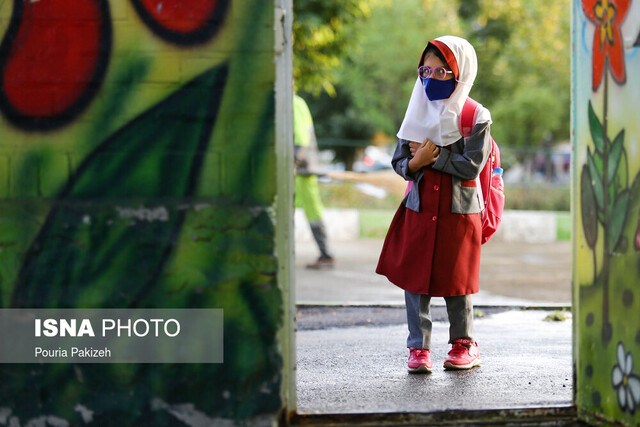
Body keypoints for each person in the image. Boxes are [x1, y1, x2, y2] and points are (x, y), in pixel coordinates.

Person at [376, 36, 492, 372]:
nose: (431, 78)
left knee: (457, 281)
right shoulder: (417, 108)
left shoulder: (476, 116)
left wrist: (433, 156)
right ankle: (418, 348)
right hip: (420, 207)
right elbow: (400, 163)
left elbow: (471, 166)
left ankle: (464, 344)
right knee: (416, 281)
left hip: (460, 212)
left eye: (442, 72)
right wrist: (415, 163)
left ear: (460, 74)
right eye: (425, 70)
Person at [293, 93, 335, 269]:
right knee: (307, 211)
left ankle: (326, 254)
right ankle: (325, 254)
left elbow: (301, 137)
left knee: (309, 212)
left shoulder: (292, 103)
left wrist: (294, 162)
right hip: (303, 168)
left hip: (301, 169)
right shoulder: (298, 101)